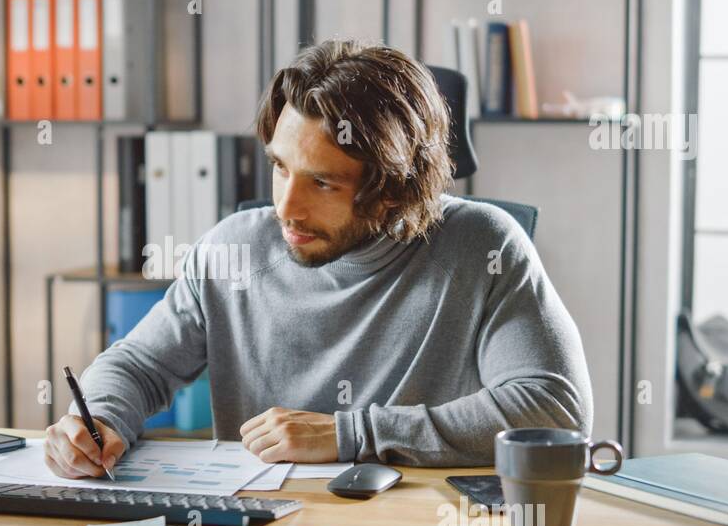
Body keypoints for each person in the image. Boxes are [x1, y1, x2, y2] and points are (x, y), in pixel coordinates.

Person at [44, 39, 593, 478]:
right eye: (280, 167)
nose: (285, 208)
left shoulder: (482, 248)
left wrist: (350, 435)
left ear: (394, 190)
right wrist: (97, 418)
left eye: (322, 183)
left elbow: (554, 411)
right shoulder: (232, 250)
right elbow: (139, 364)